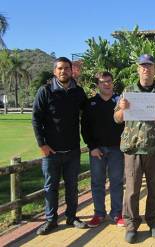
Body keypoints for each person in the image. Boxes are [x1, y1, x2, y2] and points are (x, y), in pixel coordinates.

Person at [114, 54, 155, 244]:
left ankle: (154, 223)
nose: (146, 69)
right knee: (131, 190)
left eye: (149, 66)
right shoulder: (128, 91)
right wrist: (122, 110)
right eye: (142, 66)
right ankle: (132, 225)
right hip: (133, 149)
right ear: (138, 69)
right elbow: (117, 118)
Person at [32, 57, 87, 235]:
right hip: (51, 152)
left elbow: (89, 114)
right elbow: (36, 119)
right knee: (51, 188)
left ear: (72, 71)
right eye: (60, 68)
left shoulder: (78, 92)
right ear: (55, 71)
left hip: (72, 150)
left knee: (72, 187)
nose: (64, 71)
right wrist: (42, 144)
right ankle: (51, 220)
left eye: (67, 68)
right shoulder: (45, 91)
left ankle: (71, 217)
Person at [81, 72, 125, 228]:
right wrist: (92, 147)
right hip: (97, 150)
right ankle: (99, 214)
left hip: (117, 149)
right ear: (98, 84)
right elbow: (85, 128)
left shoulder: (120, 101)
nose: (106, 84)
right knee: (97, 183)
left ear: (113, 83)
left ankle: (117, 213)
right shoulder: (91, 103)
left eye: (109, 81)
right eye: (102, 82)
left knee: (117, 183)